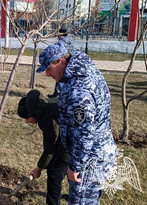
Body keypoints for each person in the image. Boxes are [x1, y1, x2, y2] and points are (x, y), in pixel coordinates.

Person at [36, 42, 117, 204]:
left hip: (89, 160)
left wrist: (76, 167)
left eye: (49, 69)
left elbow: (84, 134)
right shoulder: (85, 70)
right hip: (100, 152)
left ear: (62, 61)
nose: (47, 74)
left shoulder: (78, 91)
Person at [17, 90, 68, 205]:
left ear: (33, 112)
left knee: (54, 173)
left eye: (27, 118)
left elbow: (50, 149)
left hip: (70, 147)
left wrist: (39, 168)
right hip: (76, 141)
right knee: (73, 171)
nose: (26, 122)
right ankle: (74, 195)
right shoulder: (46, 103)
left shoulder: (47, 120)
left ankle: (53, 202)